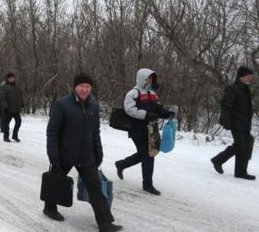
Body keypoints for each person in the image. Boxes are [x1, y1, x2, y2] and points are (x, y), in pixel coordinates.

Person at [44, 72, 123, 232]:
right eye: (81, 86)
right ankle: (49, 208)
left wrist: (98, 153)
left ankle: (105, 223)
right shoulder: (62, 104)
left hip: (86, 156)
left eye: (88, 86)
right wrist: (54, 157)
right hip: (64, 154)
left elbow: (95, 132)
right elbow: (52, 132)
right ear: (75, 87)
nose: (84, 89)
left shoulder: (94, 105)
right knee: (55, 182)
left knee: (96, 188)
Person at [114, 68, 174, 196]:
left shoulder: (152, 93)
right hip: (137, 129)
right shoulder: (133, 93)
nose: (150, 80)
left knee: (146, 154)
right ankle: (147, 185)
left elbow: (157, 109)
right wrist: (146, 115)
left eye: (152, 78)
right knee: (148, 155)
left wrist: (166, 113)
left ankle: (121, 164)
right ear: (142, 78)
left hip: (151, 129)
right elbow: (129, 109)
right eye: (148, 78)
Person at [211, 66, 256, 180]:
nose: (249, 79)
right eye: (247, 76)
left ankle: (241, 172)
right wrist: (226, 121)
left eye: (250, 76)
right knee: (240, 145)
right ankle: (218, 160)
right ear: (241, 76)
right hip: (236, 121)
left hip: (245, 122)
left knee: (246, 145)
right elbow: (226, 105)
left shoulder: (245, 89)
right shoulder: (232, 88)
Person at [0, 72, 24, 142]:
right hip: (8, 109)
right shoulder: (4, 87)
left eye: (13, 77)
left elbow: (20, 96)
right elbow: (2, 98)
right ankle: (6, 137)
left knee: (19, 122)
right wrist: (5, 106)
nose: (12, 79)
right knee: (6, 124)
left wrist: (22, 104)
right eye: (10, 78)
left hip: (16, 109)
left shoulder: (17, 87)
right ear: (8, 79)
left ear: (15, 78)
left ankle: (15, 135)